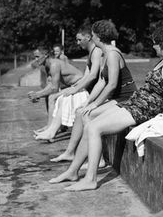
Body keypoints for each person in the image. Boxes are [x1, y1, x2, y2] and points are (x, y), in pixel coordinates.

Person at [49, 25, 163, 191]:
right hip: (137, 101)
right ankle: (73, 171)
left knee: (94, 128)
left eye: (155, 43)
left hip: (146, 107)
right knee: (89, 123)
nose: (153, 46)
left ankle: (91, 179)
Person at [50, 19, 137, 163]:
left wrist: (95, 104)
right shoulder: (105, 53)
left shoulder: (113, 54)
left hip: (126, 98)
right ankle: (70, 152)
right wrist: (88, 102)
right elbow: (102, 81)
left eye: (93, 34)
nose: (91, 37)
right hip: (117, 98)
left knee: (88, 115)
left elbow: (112, 84)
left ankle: (99, 160)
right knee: (80, 110)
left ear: (99, 36)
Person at [34, 26, 103, 141]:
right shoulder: (90, 53)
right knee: (61, 97)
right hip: (82, 86)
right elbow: (87, 76)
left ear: (88, 37)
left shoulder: (96, 51)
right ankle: (50, 130)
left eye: (79, 40)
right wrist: (73, 88)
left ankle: (51, 130)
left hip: (90, 89)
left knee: (61, 97)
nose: (77, 43)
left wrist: (74, 89)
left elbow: (92, 76)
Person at [27, 48, 83, 124]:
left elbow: (54, 89)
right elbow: (50, 85)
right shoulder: (47, 66)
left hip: (80, 86)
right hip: (71, 86)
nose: (35, 59)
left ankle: (50, 127)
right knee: (48, 96)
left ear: (46, 55)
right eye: (35, 57)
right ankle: (50, 125)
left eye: (37, 56)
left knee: (52, 97)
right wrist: (37, 94)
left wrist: (37, 94)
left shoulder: (54, 65)